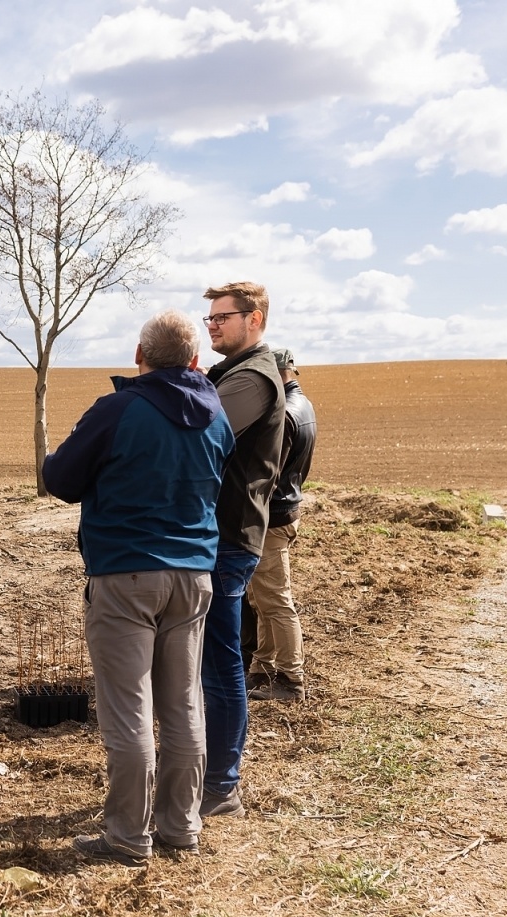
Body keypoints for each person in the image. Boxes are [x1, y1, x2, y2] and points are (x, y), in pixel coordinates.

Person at [43, 309, 235, 865]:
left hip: (126, 573)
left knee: (128, 709)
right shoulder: (217, 416)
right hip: (196, 575)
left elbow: (59, 479)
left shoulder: (119, 409)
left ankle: (128, 835)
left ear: (138, 355)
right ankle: (182, 825)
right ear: (196, 361)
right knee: (183, 703)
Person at [199, 281, 286, 819]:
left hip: (229, 539)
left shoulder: (252, 378)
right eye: (208, 317)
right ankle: (206, 770)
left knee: (220, 660)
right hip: (220, 535)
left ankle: (222, 785)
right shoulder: (232, 373)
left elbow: (197, 432)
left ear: (254, 319)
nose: (212, 324)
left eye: (222, 317)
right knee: (207, 659)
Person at [246, 349, 317, 703]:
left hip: (272, 518)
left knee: (275, 600)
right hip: (287, 511)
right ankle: (261, 669)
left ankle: (292, 680)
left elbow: (267, 475)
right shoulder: (304, 405)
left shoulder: (285, 414)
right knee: (262, 597)